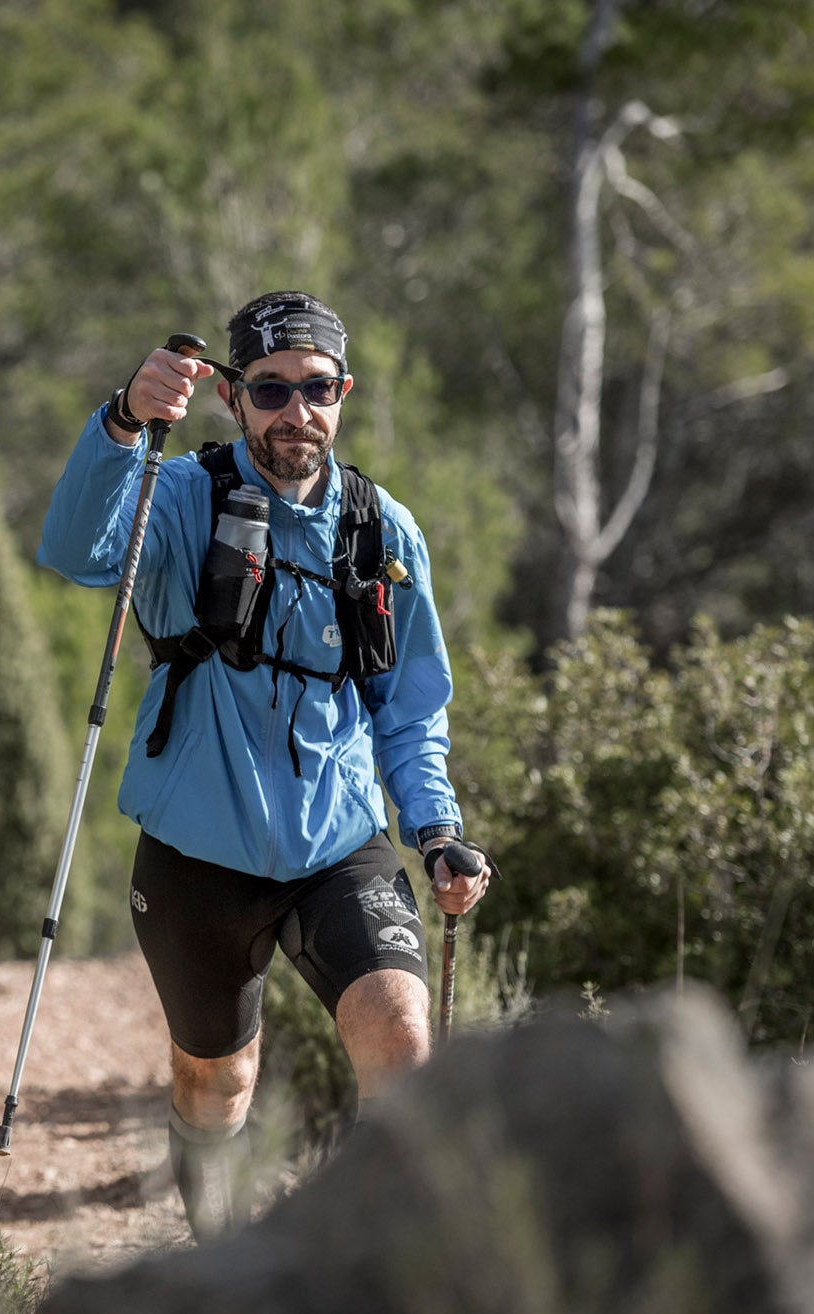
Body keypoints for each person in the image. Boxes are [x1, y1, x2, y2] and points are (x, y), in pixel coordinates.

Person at [36, 290, 492, 1241]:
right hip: (197, 853)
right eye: (272, 389)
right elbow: (78, 551)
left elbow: (411, 711)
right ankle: (223, 1275)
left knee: (404, 1046)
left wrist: (437, 829)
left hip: (340, 848)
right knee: (218, 1085)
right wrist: (123, 421)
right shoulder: (183, 499)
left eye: (316, 388)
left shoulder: (381, 530)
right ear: (235, 398)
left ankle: (370, 1282)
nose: (296, 411)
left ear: (342, 392)